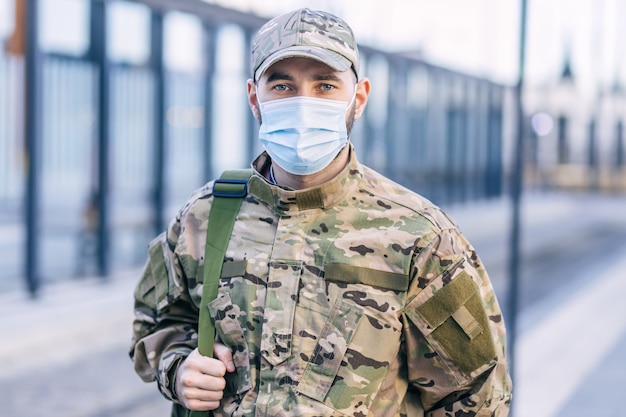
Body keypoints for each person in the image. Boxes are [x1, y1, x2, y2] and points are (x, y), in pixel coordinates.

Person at [130, 8, 512, 416]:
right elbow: (155, 326)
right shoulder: (203, 218)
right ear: (254, 98)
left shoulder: (418, 236)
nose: (303, 103)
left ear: (358, 97)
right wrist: (179, 369)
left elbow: (477, 396)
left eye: (325, 85)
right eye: (282, 86)